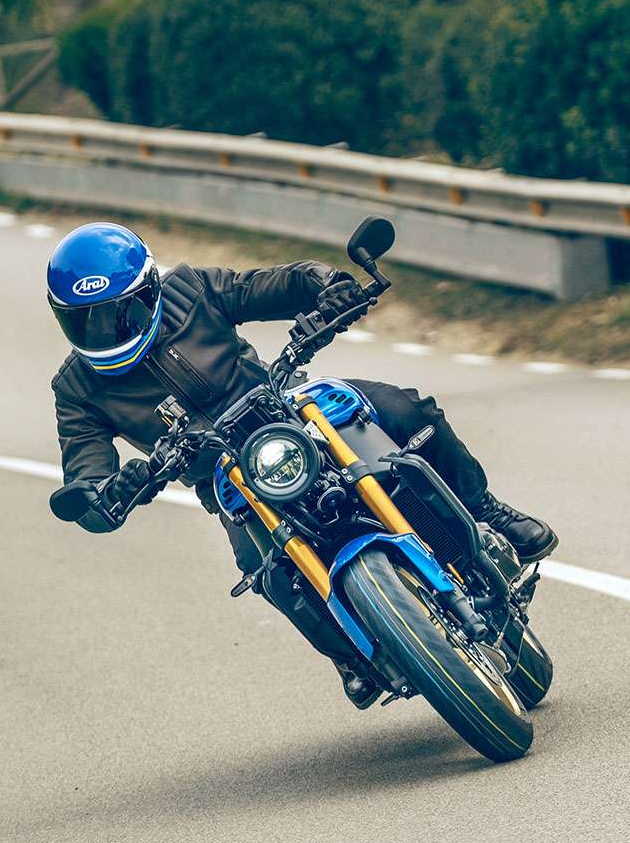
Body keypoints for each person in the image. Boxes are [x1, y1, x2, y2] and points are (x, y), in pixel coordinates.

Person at [45, 221, 554, 708]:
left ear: (151, 290)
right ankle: (350, 657)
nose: (104, 331)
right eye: (84, 320)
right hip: (225, 475)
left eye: (118, 314)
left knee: (403, 410)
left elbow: (268, 286)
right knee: (262, 569)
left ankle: (485, 510)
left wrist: (326, 286)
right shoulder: (77, 390)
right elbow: (85, 482)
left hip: (288, 407)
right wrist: (107, 494)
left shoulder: (192, 289)